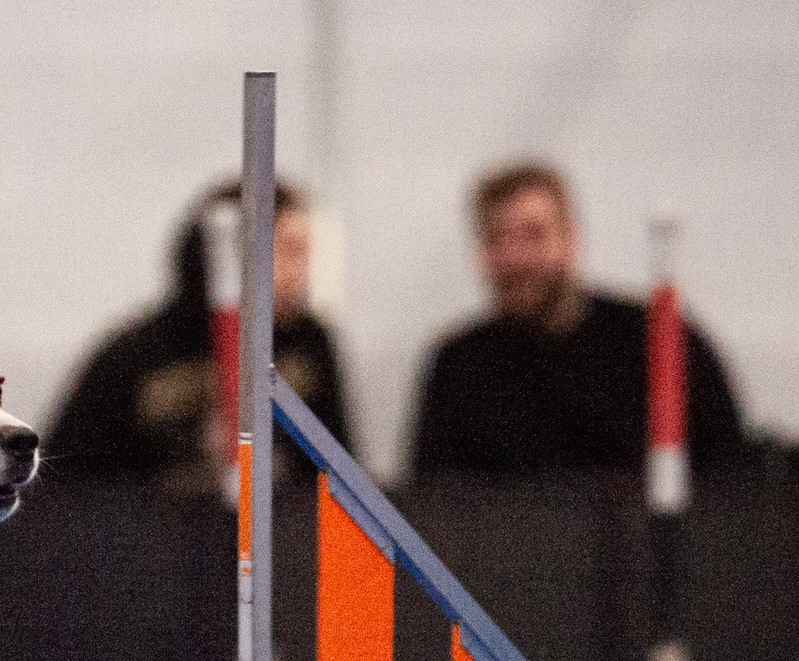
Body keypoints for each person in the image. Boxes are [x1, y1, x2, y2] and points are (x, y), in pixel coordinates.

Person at [408, 163, 745, 479]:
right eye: (497, 239)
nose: (516, 258)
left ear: (570, 239)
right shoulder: (458, 368)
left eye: (533, 235)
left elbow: (731, 488)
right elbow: (432, 508)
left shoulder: (662, 343)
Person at [47, 178, 352, 490]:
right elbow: (65, 487)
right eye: (288, 252)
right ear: (230, 256)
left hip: (281, 531)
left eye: (304, 253)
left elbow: (341, 478)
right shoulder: (133, 356)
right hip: (158, 532)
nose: (301, 273)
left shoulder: (309, 344)